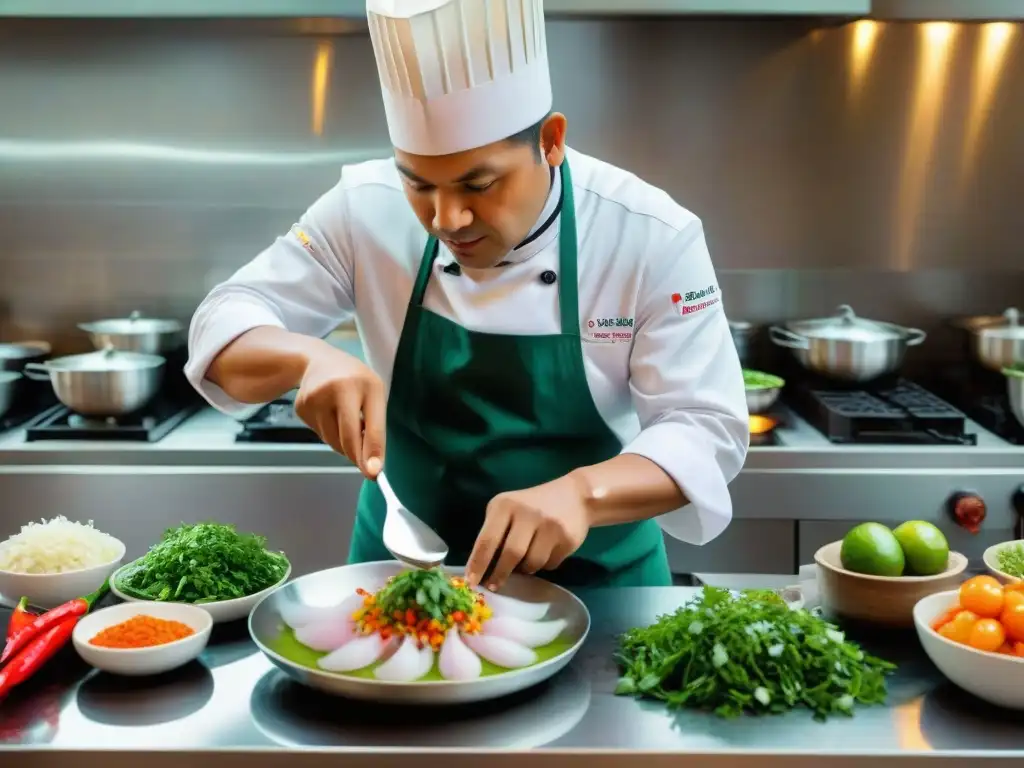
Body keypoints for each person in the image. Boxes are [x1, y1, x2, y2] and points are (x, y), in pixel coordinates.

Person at [185, 0, 749, 591]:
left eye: (479, 184)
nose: (446, 218)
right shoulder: (364, 207)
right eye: (418, 183)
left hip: (599, 581)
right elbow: (221, 324)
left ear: (551, 142)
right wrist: (307, 357)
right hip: (399, 573)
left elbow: (705, 426)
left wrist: (584, 494)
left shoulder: (648, 233)